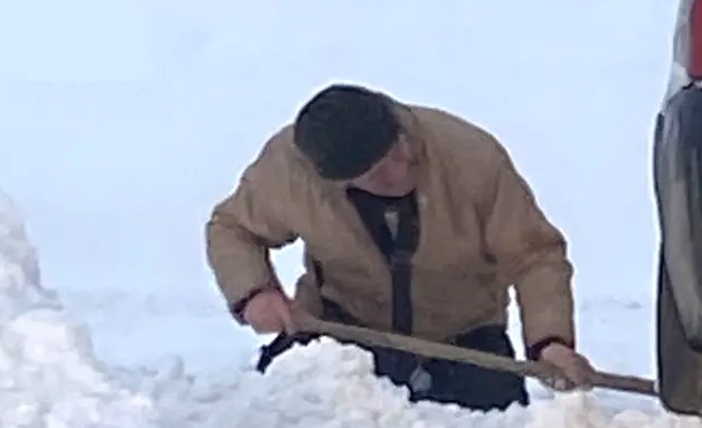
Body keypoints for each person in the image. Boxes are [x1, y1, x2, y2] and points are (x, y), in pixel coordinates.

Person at [206, 84, 594, 410]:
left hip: (463, 341)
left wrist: (551, 342)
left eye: (399, 149)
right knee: (285, 420)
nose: (402, 168)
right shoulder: (290, 173)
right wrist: (254, 293)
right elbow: (233, 228)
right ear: (338, 182)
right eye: (378, 171)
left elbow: (535, 256)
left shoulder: (470, 157)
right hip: (340, 332)